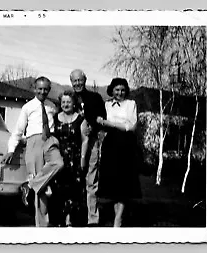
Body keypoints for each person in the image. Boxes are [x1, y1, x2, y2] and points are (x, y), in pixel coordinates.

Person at [1, 76, 64, 227]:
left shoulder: (52, 106)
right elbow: (18, 131)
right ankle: (42, 226)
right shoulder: (27, 107)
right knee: (41, 190)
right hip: (33, 142)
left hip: (50, 140)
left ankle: (29, 185)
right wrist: (11, 150)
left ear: (49, 90)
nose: (43, 92)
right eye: (40, 89)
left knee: (59, 163)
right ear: (34, 89)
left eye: (46, 89)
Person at [96, 77, 142, 227]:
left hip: (126, 144)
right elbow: (101, 123)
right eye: (117, 90)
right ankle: (117, 216)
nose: (120, 93)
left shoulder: (131, 104)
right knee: (114, 183)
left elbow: (131, 126)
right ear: (112, 90)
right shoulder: (107, 104)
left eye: (122, 90)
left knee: (124, 183)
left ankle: (118, 219)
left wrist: (111, 123)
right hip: (110, 144)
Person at [70, 69, 106, 227]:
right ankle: (73, 216)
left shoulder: (95, 97)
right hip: (72, 146)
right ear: (71, 82)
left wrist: (93, 125)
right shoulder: (68, 98)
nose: (77, 83)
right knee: (73, 181)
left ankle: (92, 218)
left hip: (91, 144)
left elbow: (102, 118)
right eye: (74, 81)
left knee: (91, 181)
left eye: (80, 80)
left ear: (85, 80)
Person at [48, 90, 88, 227]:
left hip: (75, 160)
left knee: (75, 191)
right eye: (63, 102)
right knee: (59, 191)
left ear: (74, 103)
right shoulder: (54, 118)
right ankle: (59, 220)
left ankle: (71, 220)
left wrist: (83, 158)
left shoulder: (81, 119)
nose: (66, 104)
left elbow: (85, 140)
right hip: (59, 160)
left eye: (68, 102)